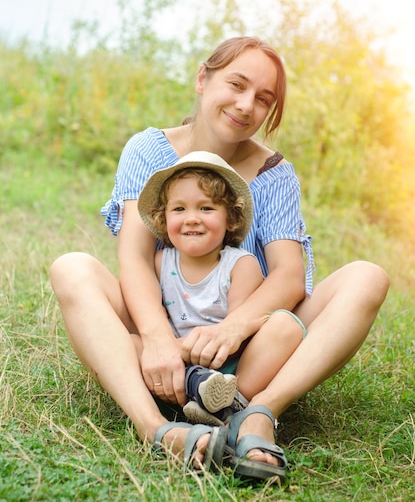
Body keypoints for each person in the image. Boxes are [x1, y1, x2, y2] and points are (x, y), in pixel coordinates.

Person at [50, 36, 390, 482]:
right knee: (71, 267)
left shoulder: (273, 174)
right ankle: (157, 428)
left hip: (246, 349)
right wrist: (154, 337)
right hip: (166, 336)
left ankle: (258, 412)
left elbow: (288, 276)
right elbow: (134, 258)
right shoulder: (149, 151)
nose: (247, 104)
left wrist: (231, 328)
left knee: (367, 277)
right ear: (202, 79)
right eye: (237, 84)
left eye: (263, 98)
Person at [134, 151, 305, 427]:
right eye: (179, 209)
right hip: (172, 364)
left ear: (231, 219)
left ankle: (233, 400)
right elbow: (151, 321)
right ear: (163, 219)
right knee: (129, 342)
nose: (191, 218)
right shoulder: (160, 263)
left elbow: (240, 339)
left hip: (229, 369)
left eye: (206, 208)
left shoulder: (240, 266)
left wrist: (194, 352)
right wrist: (174, 352)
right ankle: (193, 396)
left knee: (286, 326)